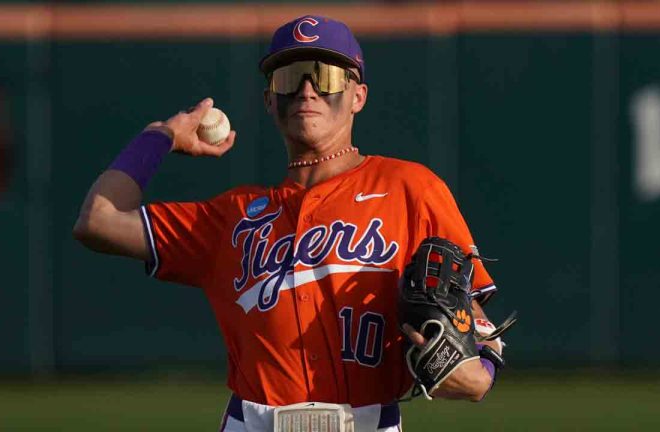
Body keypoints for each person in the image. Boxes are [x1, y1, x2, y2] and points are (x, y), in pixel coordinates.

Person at [74, 15, 505, 432]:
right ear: (269, 100)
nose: (306, 89)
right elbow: (99, 221)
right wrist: (159, 136)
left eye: (327, 75)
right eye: (289, 76)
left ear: (358, 96)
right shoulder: (231, 216)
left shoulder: (409, 188)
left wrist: (483, 369)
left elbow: (476, 320)